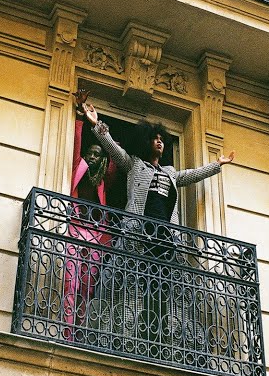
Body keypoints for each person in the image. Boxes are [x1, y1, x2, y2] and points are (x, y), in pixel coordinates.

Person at [79, 100, 236, 345]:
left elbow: (191, 175)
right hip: (138, 233)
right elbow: (113, 149)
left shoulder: (170, 172)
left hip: (165, 237)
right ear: (146, 142)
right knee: (132, 283)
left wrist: (217, 165)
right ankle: (127, 334)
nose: (160, 142)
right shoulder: (134, 165)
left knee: (167, 287)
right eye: (155, 139)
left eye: (162, 139)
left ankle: (166, 336)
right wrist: (95, 123)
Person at [61, 90, 125, 339]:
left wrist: (98, 125)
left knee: (87, 287)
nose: (92, 156)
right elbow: (77, 144)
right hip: (76, 227)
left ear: (102, 160)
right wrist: (80, 118)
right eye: (90, 153)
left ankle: (80, 332)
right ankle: (67, 331)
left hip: (96, 233)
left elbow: (116, 156)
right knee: (71, 282)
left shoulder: (104, 180)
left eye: (97, 154)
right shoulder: (79, 167)